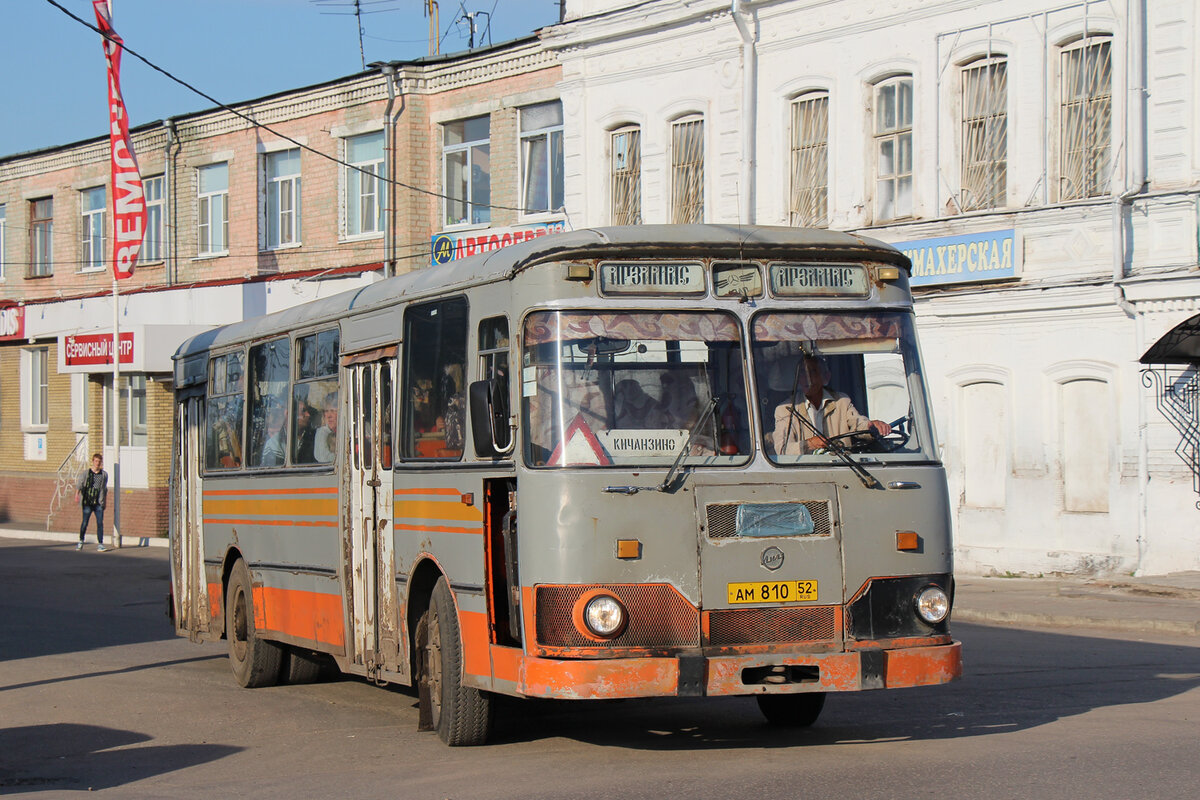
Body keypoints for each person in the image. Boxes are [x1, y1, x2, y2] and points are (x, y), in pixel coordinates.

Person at [773, 353, 892, 455]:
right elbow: (782, 449)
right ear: (798, 379)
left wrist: (872, 427)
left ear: (826, 377)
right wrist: (810, 444)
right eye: (803, 373)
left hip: (842, 467)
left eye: (813, 372)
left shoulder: (842, 401)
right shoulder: (786, 409)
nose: (807, 379)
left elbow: (858, 423)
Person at [75, 453, 109, 552]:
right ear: (93, 461)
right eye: (96, 461)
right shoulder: (86, 473)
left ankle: (100, 543)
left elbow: (104, 489)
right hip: (87, 502)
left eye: (99, 461)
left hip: (98, 503)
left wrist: (104, 502)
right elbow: (80, 484)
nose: (97, 463)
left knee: (100, 523)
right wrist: (77, 494)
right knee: (85, 523)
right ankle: (81, 540)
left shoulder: (104, 475)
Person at [314, 393, 338, 463]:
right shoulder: (323, 432)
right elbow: (323, 458)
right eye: (326, 411)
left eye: (332, 411)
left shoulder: (352, 429)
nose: (329, 416)